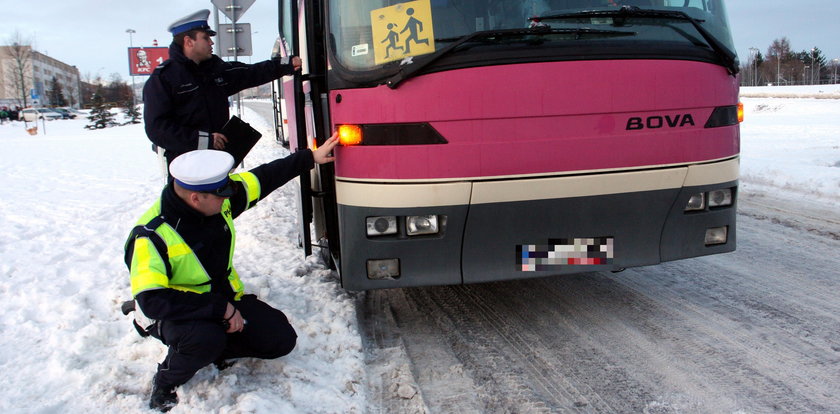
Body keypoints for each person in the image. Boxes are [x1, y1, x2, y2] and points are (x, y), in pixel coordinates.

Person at [124, 133, 339, 412]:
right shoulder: (151, 236)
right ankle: (166, 378)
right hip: (177, 312)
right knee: (205, 340)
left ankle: (215, 345)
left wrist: (309, 157)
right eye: (222, 193)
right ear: (195, 198)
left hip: (222, 302)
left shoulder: (214, 199)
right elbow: (153, 301)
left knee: (280, 339)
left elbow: (262, 179)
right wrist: (219, 309)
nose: (229, 196)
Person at [143, 9, 303, 168]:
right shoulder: (164, 78)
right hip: (187, 167)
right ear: (188, 42)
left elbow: (251, 73)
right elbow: (157, 129)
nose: (211, 43)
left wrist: (286, 64)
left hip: (218, 161)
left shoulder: (213, 71)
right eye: (205, 38)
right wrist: (204, 140)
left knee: (222, 194)